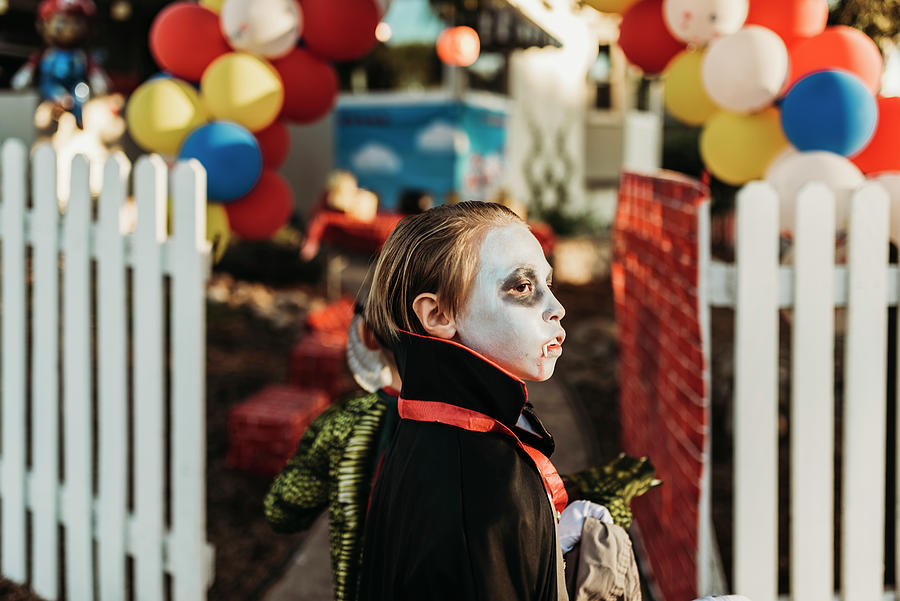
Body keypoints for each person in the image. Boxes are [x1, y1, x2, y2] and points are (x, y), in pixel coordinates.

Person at [358, 201, 573, 600]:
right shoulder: (479, 488)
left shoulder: (431, 427)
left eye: (548, 284)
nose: (556, 308)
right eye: (524, 287)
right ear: (438, 315)